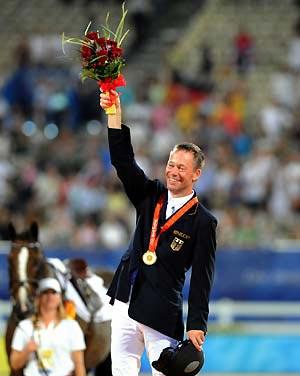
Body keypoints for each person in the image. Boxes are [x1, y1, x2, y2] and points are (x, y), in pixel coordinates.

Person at [99, 91, 217, 376]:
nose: (173, 171)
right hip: (125, 297)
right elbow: (124, 164)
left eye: (182, 167)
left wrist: (197, 324)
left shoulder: (203, 222)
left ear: (197, 174)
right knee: (121, 370)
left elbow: (203, 276)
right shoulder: (150, 195)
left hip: (161, 311)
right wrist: (114, 117)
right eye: (171, 164)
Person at [10, 277, 86, 376]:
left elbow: (79, 364)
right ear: (38, 297)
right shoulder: (24, 326)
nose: (50, 296)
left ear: (60, 297)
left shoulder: (71, 326)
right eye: (45, 292)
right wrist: (27, 350)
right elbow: (14, 364)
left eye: (54, 292)